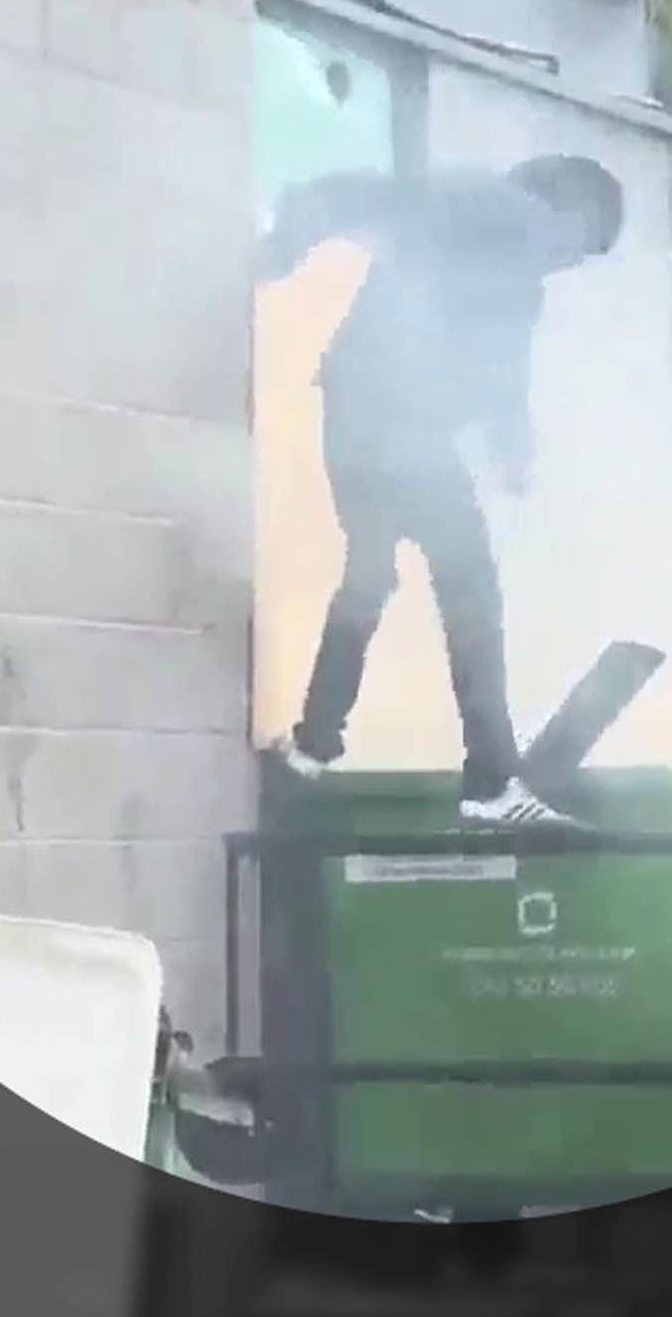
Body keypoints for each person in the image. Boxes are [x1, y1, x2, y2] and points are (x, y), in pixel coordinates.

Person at [256, 153, 628, 827]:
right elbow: (387, 192)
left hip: (361, 419)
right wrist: (299, 220)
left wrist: (291, 234)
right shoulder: (510, 210)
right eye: (585, 245)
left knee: (370, 574)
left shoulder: (509, 255)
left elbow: (502, 368)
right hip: (397, 426)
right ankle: (490, 782)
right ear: (570, 210)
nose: (571, 262)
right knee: (470, 591)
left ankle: (311, 747)